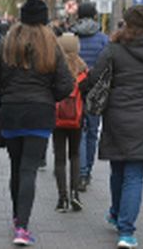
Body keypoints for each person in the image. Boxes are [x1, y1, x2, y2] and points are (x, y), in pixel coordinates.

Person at [0, 0, 74, 246]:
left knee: (16, 167)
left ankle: (17, 218)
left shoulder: (7, 42)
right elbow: (66, 84)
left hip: (12, 112)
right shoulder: (51, 44)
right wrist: (48, 97)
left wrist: (6, 93)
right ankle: (22, 226)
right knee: (29, 169)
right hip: (40, 114)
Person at [82, 5, 143, 249]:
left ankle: (116, 213)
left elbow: (94, 78)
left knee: (118, 169)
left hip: (117, 116)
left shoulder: (114, 48)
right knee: (134, 175)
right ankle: (126, 232)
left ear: (128, 23)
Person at [70, 2, 109, 192]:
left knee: (80, 131)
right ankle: (86, 172)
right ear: (95, 16)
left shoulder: (71, 37)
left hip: (75, 89)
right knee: (93, 131)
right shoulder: (103, 39)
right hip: (96, 91)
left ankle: (81, 170)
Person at [52, 33, 88, 213]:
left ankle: (62, 198)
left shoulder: (54, 68)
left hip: (57, 119)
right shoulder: (83, 70)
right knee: (74, 155)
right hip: (77, 119)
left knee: (59, 158)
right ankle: (75, 194)